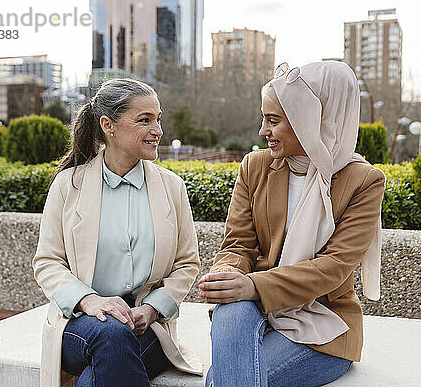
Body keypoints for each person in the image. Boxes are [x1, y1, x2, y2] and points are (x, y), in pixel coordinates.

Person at [198, 61, 386, 387]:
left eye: (273, 120)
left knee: (221, 381)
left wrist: (254, 286)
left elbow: (335, 267)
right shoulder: (254, 167)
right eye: (263, 119)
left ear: (311, 120)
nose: (262, 131)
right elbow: (238, 244)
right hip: (254, 304)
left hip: (322, 324)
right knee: (229, 309)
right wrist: (229, 272)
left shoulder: (362, 181)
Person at [33, 78, 202, 387]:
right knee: (110, 330)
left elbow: (187, 263)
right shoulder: (69, 184)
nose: (158, 130)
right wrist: (90, 300)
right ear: (108, 125)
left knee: (95, 376)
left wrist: (152, 309)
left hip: (147, 328)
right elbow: (47, 262)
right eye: (145, 120)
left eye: (158, 119)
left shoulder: (172, 187)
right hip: (80, 324)